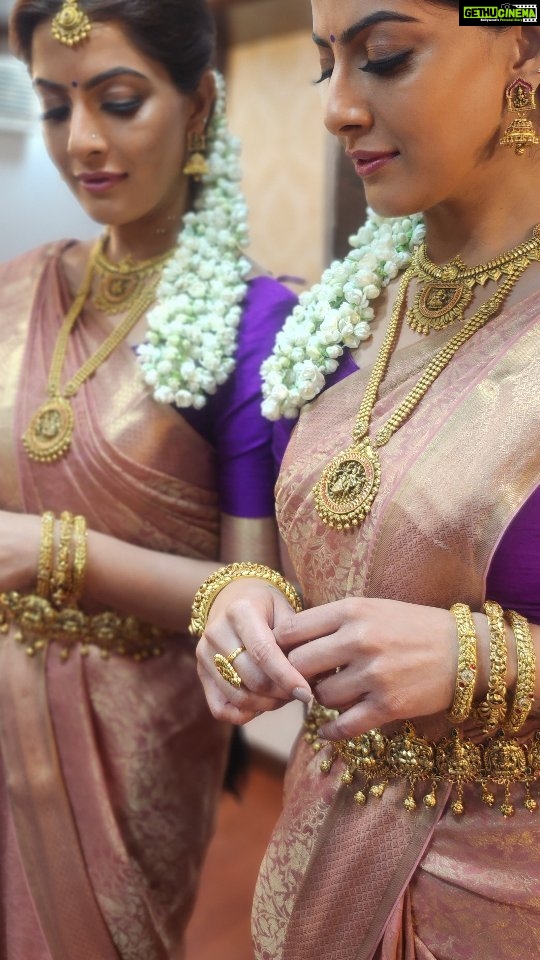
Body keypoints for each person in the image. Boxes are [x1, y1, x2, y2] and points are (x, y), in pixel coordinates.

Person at [195, 1, 540, 957]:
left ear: (524, 40)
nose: (336, 107)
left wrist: (479, 662)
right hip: (316, 870)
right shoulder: (351, 303)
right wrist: (244, 597)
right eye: (323, 63)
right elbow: (295, 556)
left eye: (383, 57)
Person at [0, 0, 296, 956]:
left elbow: (260, 609)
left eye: (119, 101)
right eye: (54, 107)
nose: (82, 141)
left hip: (135, 742)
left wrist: (50, 552)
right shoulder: (19, 288)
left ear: (199, 106)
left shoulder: (259, 326)